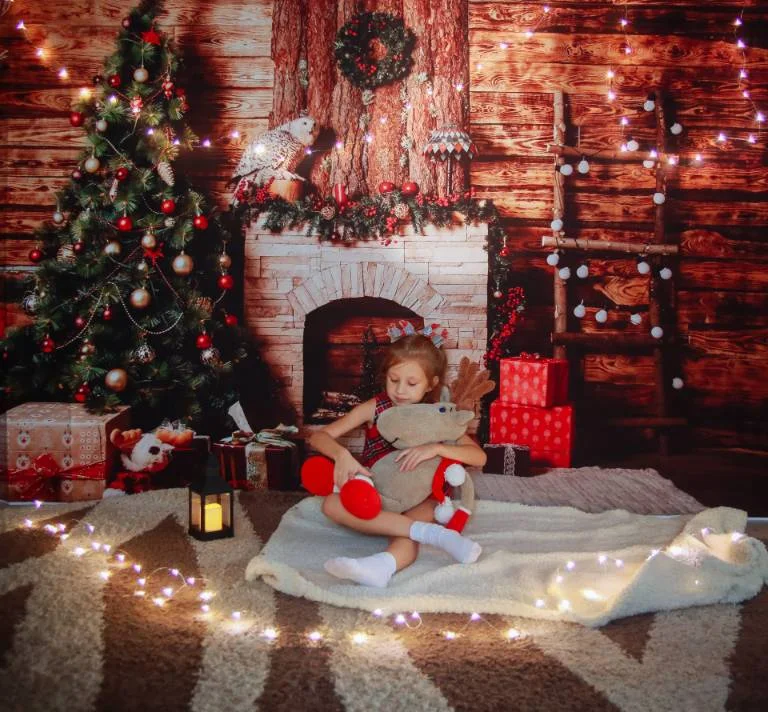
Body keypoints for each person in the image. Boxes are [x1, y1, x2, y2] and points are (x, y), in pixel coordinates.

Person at [308, 332, 487, 587]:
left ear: (430, 384)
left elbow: (478, 456)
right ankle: (434, 535)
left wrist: (436, 448)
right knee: (330, 505)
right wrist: (341, 455)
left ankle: (381, 566)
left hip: (422, 497)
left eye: (412, 384)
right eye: (394, 380)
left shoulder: (437, 415)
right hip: (375, 493)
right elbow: (319, 437)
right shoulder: (376, 407)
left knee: (410, 528)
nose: (400, 391)